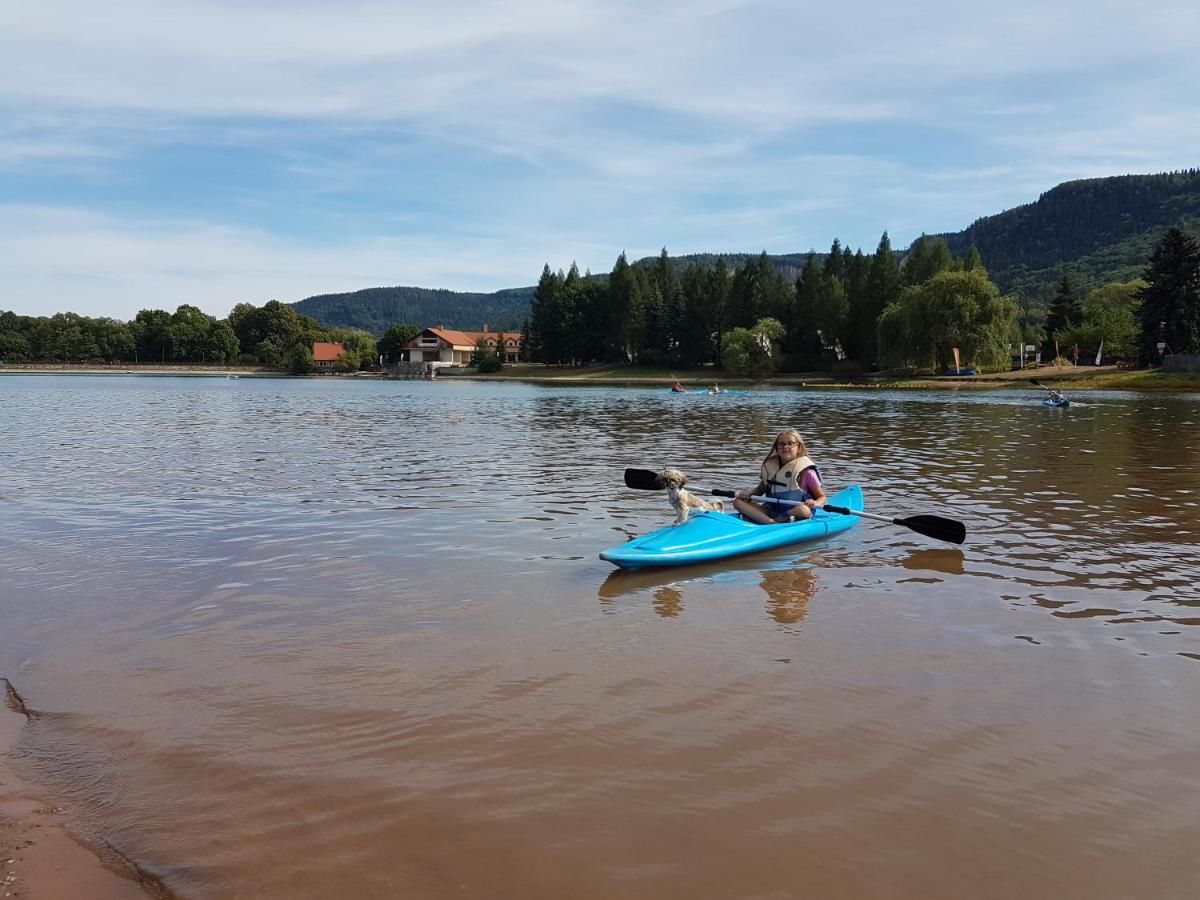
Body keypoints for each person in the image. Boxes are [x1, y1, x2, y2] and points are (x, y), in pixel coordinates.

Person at [733, 430, 827, 524]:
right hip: (771, 511)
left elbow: (822, 497)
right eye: (782, 444)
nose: (785, 447)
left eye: (790, 444)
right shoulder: (771, 469)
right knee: (738, 502)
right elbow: (759, 490)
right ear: (777, 448)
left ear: (798, 447)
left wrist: (814, 503)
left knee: (804, 510)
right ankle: (771, 522)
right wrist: (748, 493)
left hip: (794, 512)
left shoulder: (808, 473)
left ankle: (768, 521)